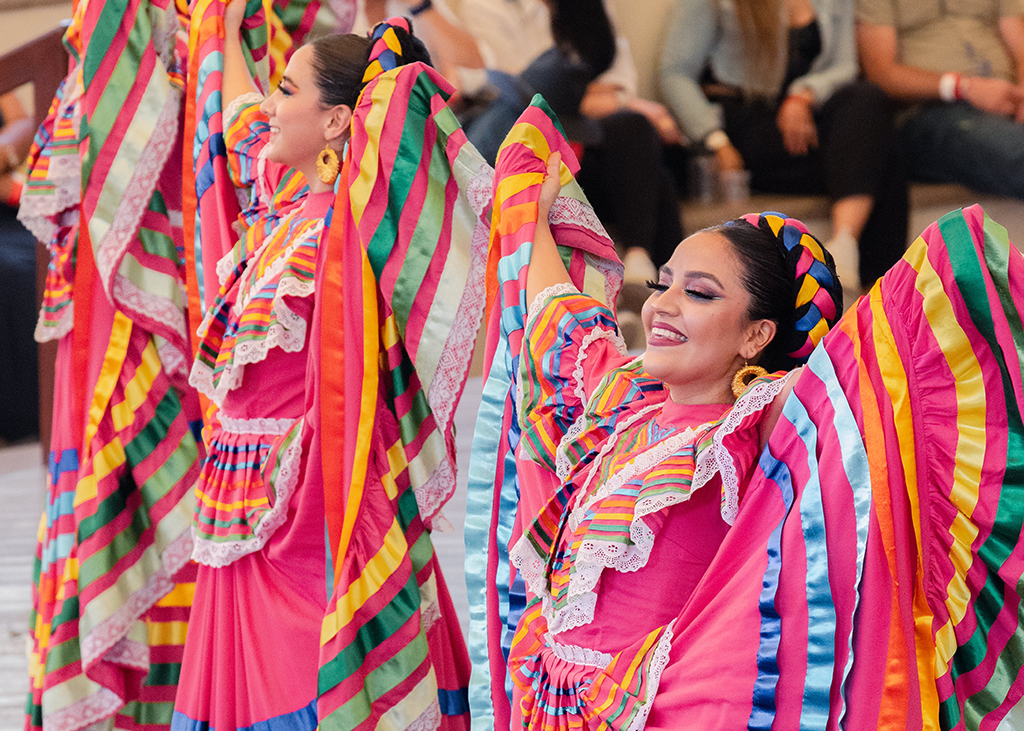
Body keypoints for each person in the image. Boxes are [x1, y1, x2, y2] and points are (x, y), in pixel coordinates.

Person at [481, 104, 1024, 728]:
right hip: (547, 700)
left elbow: (865, 387)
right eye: (663, 283)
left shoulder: (757, 427)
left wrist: (946, 279)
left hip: (667, 704)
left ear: (756, 335)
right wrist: (532, 208)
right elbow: (559, 317)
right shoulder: (619, 403)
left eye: (700, 292)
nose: (662, 305)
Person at [173, 6, 487, 731]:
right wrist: (219, 31)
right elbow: (242, 121)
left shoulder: (346, 232)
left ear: (341, 121)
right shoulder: (287, 207)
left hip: (309, 494)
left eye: (289, 91)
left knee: (310, 681)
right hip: (243, 489)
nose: (272, 106)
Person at [660, 0, 909, 296]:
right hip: (743, 125)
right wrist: (715, 139)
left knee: (869, 102)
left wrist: (802, 96)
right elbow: (674, 73)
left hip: (803, 121)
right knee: (881, 158)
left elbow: (844, 66)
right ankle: (880, 290)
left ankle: (845, 241)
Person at [855, 0, 1024, 200]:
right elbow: (881, 74)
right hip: (930, 111)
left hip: (1007, 100)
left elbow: (1019, 42)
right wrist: (962, 87)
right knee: (1016, 153)